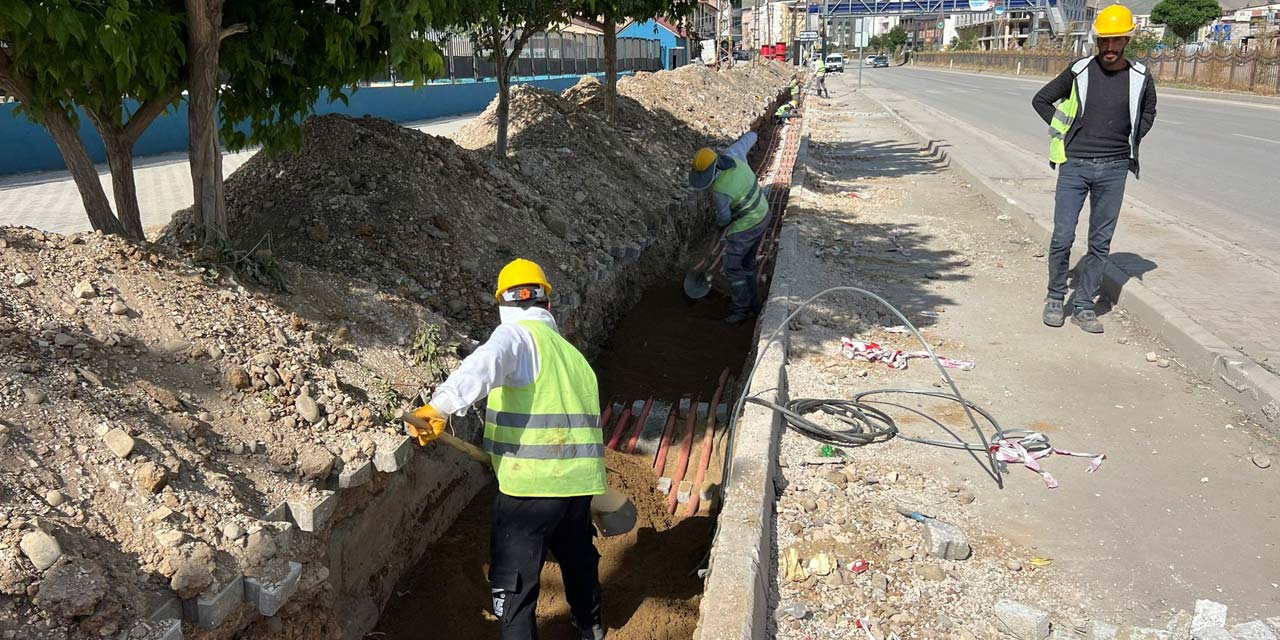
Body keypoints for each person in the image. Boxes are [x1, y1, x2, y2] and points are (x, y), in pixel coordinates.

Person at [408, 258, 607, 640]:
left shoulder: (515, 337)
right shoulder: (573, 357)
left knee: (513, 584)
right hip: (578, 487)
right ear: (548, 303)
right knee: (577, 557)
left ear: (503, 305)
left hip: (529, 490)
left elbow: (485, 364)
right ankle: (591, 627)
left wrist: (440, 406)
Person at [1032, 2, 1156, 334]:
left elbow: (1148, 112)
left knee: (1100, 242)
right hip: (1075, 167)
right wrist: (1065, 129)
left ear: (1127, 41)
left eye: (1117, 40)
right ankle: (1056, 297)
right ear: (1097, 40)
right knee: (1062, 237)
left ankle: (1084, 305)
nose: (1110, 47)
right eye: (1105, 40)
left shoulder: (1140, 77)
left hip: (1115, 169)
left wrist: (1129, 140)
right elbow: (1041, 99)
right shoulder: (1080, 69)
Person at [688, 132, 771, 324]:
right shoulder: (733, 154)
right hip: (764, 212)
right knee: (747, 263)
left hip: (748, 224)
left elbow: (725, 218)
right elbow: (750, 137)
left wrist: (720, 225)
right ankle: (754, 304)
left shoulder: (720, 191)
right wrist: (753, 133)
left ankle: (741, 309)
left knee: (733, 266)